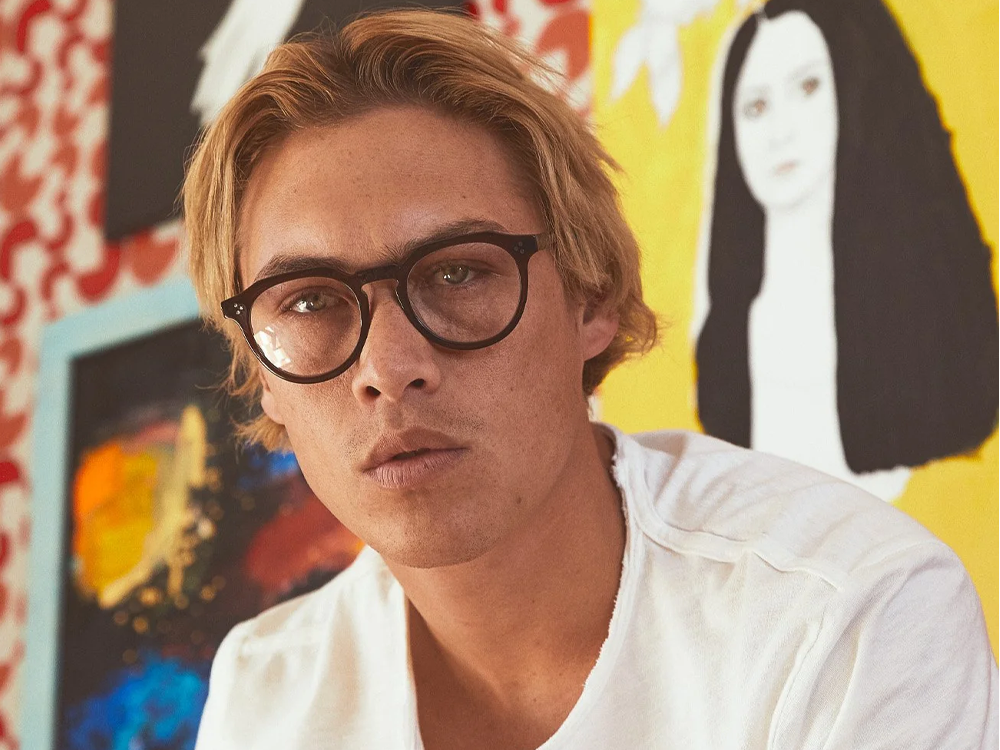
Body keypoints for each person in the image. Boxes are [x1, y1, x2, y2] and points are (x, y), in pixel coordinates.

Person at [183, 8, 998, 749]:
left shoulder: (846, 617)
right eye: (309, 302)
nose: (389, 370)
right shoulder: (266, 697)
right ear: (261, 373)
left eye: (458, 273)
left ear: (592, 295)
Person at [694, 0, 999, 501]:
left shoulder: (925, 323)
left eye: (808, 87)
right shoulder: (729, 339)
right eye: (756, 107)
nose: (780, 132)